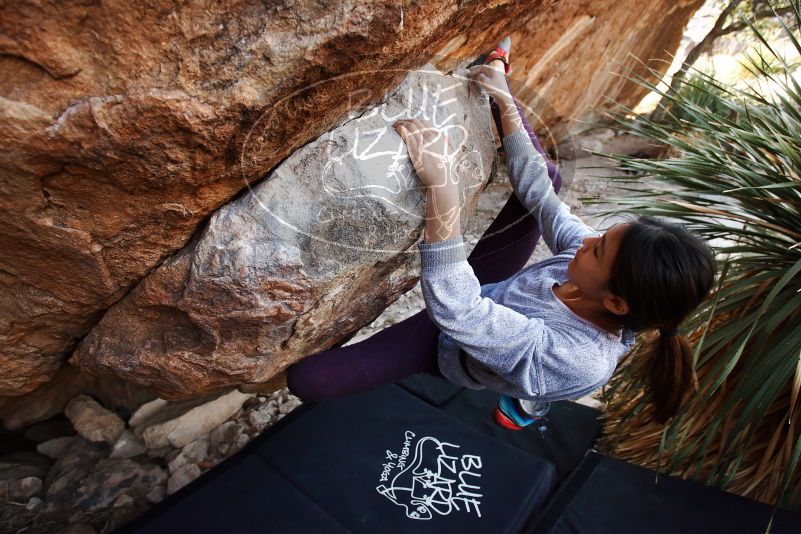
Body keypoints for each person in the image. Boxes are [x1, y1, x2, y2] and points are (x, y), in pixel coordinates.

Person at [284, 37, 717, 429]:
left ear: (616, 302)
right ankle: (496, 70)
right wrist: (503, 101)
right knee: (546, 180)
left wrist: (442, 188)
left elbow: (457, 311)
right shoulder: (591, 268)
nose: (585, 240)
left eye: (599, 250)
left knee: (309, 380)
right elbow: (542, 197)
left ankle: (527, 395)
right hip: (492, 292)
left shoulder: (577, 360)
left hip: (451, 344)